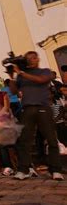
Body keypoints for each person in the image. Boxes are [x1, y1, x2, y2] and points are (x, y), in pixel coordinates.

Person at [11, 51, 64, 181]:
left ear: (37, 59)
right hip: (27, 108)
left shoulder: (44, 71)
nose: (31, 60)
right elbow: (14, 91)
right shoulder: (21, 76)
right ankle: (24, 169)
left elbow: (41, 80)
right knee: (25, 140)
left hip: (43, 108)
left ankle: (56, 170)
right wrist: (12, 76)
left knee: (51, 139)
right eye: (28, 59)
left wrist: (21, 73)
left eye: (33, 58)